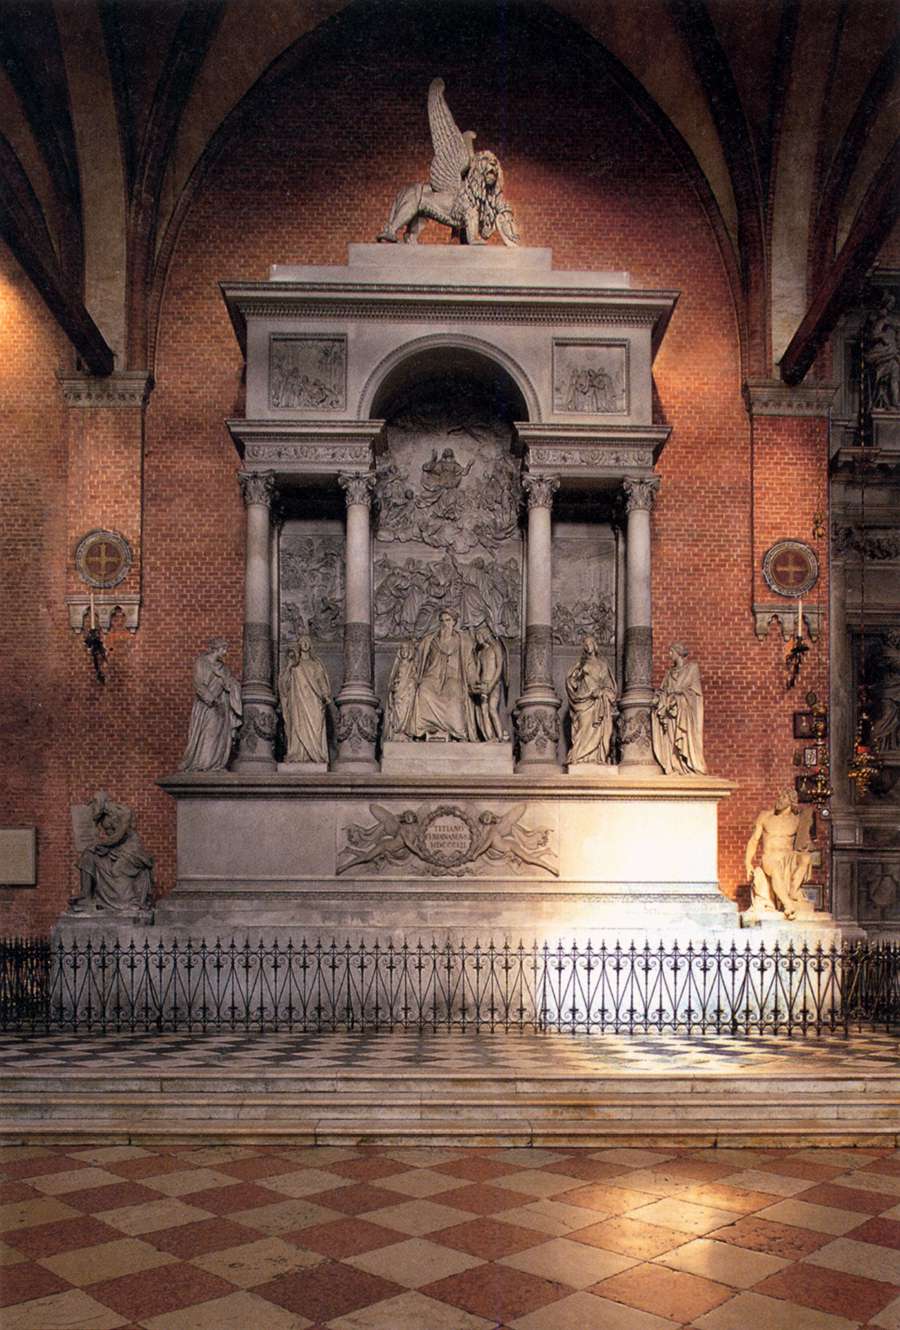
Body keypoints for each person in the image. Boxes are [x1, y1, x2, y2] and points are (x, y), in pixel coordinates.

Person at [68, 791, 154, 917]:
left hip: (130, 849)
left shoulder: (124, 812)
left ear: (100, 802)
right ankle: (85, 895)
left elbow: (119, 835)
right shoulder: (102, 817)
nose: (93, 808)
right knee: (88, 854)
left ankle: (130, 901)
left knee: (117, 869)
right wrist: (101, 847)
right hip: (113, 848)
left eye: (94, 804)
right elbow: (103, 837)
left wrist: (101, 845)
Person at [744, 790, 815, 921]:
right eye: (780, 797)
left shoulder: (797, 820)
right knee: (775, 868)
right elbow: (754, 840)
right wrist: (748, 863)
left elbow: (804, 842)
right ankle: (788, 904)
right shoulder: (765, 816)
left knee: (806, 858)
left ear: (791, 801)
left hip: (788, 857)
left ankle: (793, 890)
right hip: (770, 857)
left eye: (784, 797)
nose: (780, 799)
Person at [411, 608, 478, 741]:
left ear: (454, 622)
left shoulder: (464, 641)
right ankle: (426, 728)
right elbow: (419, 660)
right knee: (423, 690)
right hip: (433, 676)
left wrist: (474, 681)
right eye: (441, 621)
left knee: (454, 697)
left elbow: (470, 664)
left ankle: (458, 732)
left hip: (453, 677)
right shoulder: (431, 640)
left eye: (448, 620)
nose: (444, 624)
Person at [179, 638, 242, 771]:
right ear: (216, 649)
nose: (225, 652)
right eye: (223, 649)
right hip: (207, 705)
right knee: (208, 732)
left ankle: (215, 764)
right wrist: (211, 699)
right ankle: (202, 764)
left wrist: (233, 684)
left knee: (220, 734)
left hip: (222, 704)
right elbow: (198, 683)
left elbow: (228, 683)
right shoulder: (202, 662)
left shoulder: (224, 668)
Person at [651, 642, 707, 775]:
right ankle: (675, 765)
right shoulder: (669, 673)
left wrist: (678, 698)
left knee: (683, 739)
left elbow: (695, 693)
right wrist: (659, 697)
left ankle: (687, 765)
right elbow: (664, 690)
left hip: (684, 711)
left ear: (679, 653)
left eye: (672, 652)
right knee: (671, 740)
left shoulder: (692, 669)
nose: (670, 655)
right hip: (670, 713)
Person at [279, 635, 332, 764]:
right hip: (298, 702)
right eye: (302, 641)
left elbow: (322, 682)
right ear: (299, 645)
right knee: (298, 725)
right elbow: (284, 684)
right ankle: (298, 754)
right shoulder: (294, 666)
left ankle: (315, 754)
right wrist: (289, 666)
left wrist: (325, 695)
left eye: (307, 641)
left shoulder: (316, 664)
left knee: (316, 726)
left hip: (314, 700)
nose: (305, 643)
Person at [566, 635, 618, 765]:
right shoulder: (581, 664)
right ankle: (579, 757)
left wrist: (603, 692)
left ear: (595, 645)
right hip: (584, 700)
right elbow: (571, 681)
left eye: (590, 643)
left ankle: (596, 757)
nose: (588, 645)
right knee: (583, 728)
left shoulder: (603, 665)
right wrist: (575, 679)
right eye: (586, 644)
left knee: (598, 730)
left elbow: (609, 685)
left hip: (599, 701)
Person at [472, 622, 508, 741]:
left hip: (494, 683)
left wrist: (492, 684)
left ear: (485, 634)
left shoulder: (495, 647)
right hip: (483, 684)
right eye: (476, 636)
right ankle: (489, 738)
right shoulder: (480, 653)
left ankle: (500, 737)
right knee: (483, 711)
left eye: (479, 635)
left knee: (492, 710)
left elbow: (499, 667)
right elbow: (477, 671)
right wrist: (475, 683)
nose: (477, 639)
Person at [385, 640, 418, 741]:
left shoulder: (413, 665)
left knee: (407, 711)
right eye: (402, 649)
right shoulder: (397, 665)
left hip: (408, 693)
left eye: (406, 649)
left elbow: (416, 678)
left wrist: (412, 684)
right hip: (398, 692)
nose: (404, 651)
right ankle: (397, 734)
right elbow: (392, 680)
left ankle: (405, 734)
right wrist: (393, 687)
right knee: (397, 712)